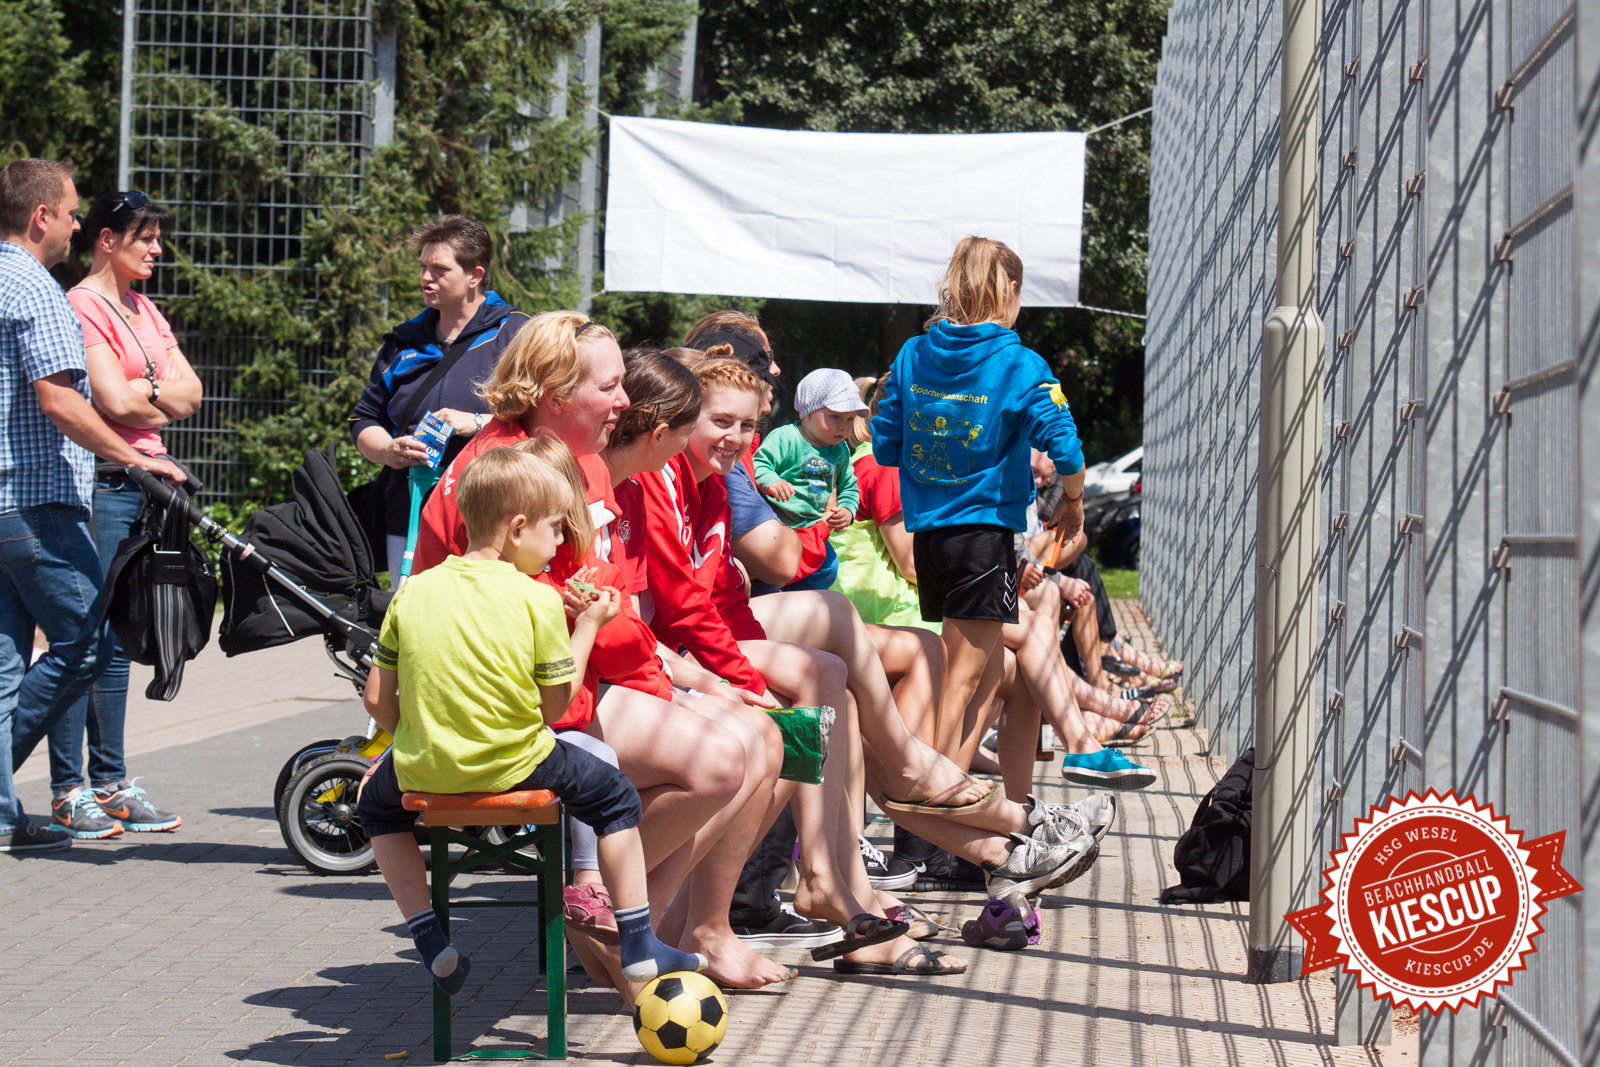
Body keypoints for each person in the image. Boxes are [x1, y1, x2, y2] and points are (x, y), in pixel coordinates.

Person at [413, 313, 789, 993]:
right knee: (721, 756)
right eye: (611, 385)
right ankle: (623, 929)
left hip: (569, 676)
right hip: (509, 701)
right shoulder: (511, 473)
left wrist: (676, 676)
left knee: (760, 734)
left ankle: (634, 926)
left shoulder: (575, 455)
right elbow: (554, 623)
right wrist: (668, 678)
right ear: (555, 393)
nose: (625, 401)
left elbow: (605, 602)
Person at [357, 446, 708, 994]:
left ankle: (430, 939)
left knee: (376, 813)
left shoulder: (414, 591)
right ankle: (639, 942)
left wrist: (419, 728)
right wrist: (589, 623)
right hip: (518, 766)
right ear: (518, 528)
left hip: (421, 770)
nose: (563, 541)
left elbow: (378, 701)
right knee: (615, 798)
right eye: (555, 527)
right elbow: (555, 708)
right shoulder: (535, 600)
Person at [0, 159, 181, 853]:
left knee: (9, 664)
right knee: (85, 639)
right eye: (73, 212)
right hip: (34, 502)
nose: (78, 223)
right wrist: (136, 455)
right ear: (41, 216)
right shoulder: (39, 290)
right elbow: (62, 399)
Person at [872, 235, 1088, 762]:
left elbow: (885, 440)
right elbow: (1064, 442)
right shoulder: (1018, 362)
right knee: (961, 679)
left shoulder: (913, 352)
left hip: (932, 535)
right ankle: (928, 807)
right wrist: (1074, 501)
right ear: (1010, 289)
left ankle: (957, 790)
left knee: (990, 673)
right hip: (982, 535)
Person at [44, 190, 202, 839]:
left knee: (117, 640)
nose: (157, 249)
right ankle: (66, 789)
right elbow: (109, 399)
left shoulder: (142, 308)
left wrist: (147, 393)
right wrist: (149, 391)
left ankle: (110, 782)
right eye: (144, 237)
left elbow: (189, 393)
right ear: (106, 239)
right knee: (85, 637)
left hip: (151, 482)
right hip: (107, 482)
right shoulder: (83, 305)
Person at [350, 215, 528, 580]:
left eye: (439, 269)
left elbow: (543, 418)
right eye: (423, 267)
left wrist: (478, 424)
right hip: (409, 512)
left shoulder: (516, 334)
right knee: (412, 622)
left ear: (474, 276)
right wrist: (388, 451)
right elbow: (364, 418)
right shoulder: (403, 343)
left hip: (492, 519)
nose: (426, 278)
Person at [752, 367, 866, 591]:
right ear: (808, 412)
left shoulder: (840, 449)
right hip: (780, 526)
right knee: (775, 572)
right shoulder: (786, 438)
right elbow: (759, 464)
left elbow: (849, 487)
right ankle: (779, 596)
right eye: (835, 416)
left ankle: (801, 599)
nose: (843, 426)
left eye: (850, 419)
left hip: (813, 527)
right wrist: (772, 481)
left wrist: (847, 511)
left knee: (829, 565)